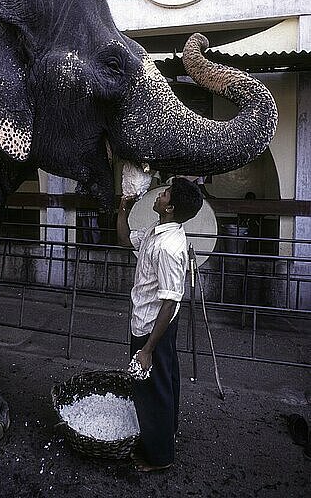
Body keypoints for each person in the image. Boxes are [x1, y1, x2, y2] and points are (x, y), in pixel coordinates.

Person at [117, 177, 203, 472]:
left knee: (152, 389)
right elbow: (124, 239)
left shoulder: (168, 246)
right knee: (165, 381)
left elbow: (170, 301)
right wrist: (122, 210)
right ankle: (168, 432)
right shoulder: (158, 231)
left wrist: (147, 350)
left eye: (165, 194)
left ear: (171, 207)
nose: (159, 195)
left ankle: (159, 457)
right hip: (151, 322)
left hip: (153, 327)